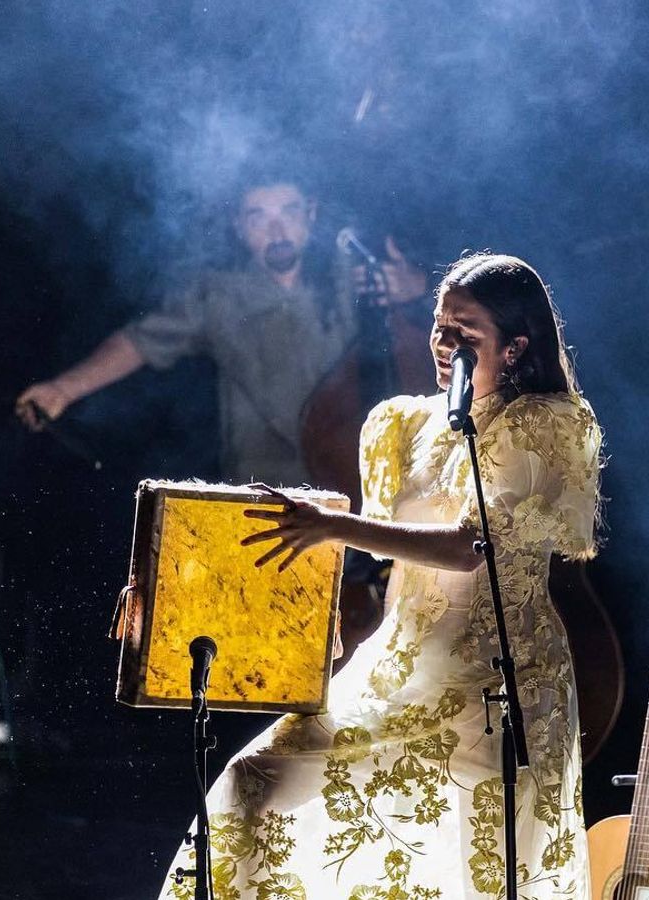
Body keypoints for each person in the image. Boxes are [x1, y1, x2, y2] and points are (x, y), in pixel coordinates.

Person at [160, 253, 603, 899]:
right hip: (400, 661)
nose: (444, 343)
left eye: (466, 332)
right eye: (439, 326)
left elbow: (469, 545)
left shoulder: (543, 424)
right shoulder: (403, 424)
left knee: (478, 862)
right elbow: (382, 554)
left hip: (503, 674)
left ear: (515, 347)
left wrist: (331, 526)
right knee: (255, 778)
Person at [15, 172, 374, 486]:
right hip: (268, 491)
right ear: (239, 227)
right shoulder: (217, 295)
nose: (277, 231)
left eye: (289, 211)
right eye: (258, 217)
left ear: (311, 213)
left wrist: (415, 288)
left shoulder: (354, 277)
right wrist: (63, 388)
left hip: (358, 486)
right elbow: (140, 342)